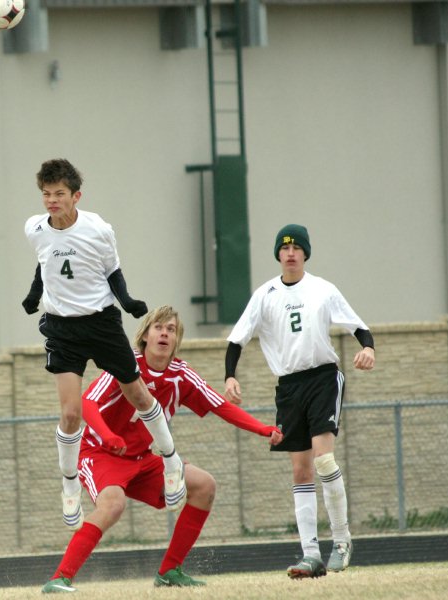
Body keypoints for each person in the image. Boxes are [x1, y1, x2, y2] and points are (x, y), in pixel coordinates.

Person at [41, 305, 283, 593]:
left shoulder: (181, 374)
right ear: (145, 335)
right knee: (113, 504)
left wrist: (263, 428)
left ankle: (170, 571)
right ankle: (60, 578)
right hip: (99, 453)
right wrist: (106, 436)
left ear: (176, 339)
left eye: (171, 329)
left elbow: (220, 405)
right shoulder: (125, 362)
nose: (164, 333)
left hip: (142, 459)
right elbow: (87, 403)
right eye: (159, 327)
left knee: (204, 485)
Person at [23, 158, 186, 531]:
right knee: (69, 414)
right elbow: (44, 262)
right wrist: (34, 296)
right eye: (46, 194)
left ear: (76, 196)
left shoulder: (97, 229)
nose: (51, 201)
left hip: (101, 322)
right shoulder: (34, 228)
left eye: (59, 194)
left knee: (140, 396)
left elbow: (112, 270)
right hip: (63, 330)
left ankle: (171, 459)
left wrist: (128, 303)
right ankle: (68, 485)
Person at [223, 224, 375, 579]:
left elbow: (358, 327)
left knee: (323, 460)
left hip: (322, 377)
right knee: (300, 470)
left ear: (306, 253)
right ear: (277, 253)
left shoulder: (323, 289)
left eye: (297, 247)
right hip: (289, 387)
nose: (290, 252)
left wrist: (368, 348)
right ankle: (311, 555)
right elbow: (236, 340)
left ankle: (341, 541)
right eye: (284, 247)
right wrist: (230, 375)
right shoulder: (265, 294)